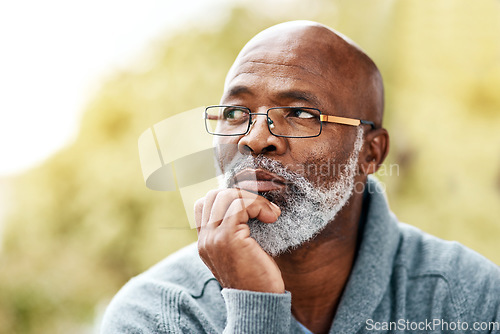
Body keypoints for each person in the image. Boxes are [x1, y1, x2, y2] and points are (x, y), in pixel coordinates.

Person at [101, 21, 500, 334]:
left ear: (371, 153)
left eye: (301, 114)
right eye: (236, 113)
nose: (255, 140)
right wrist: (254, 309)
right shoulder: (156, 313)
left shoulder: (467, 298)